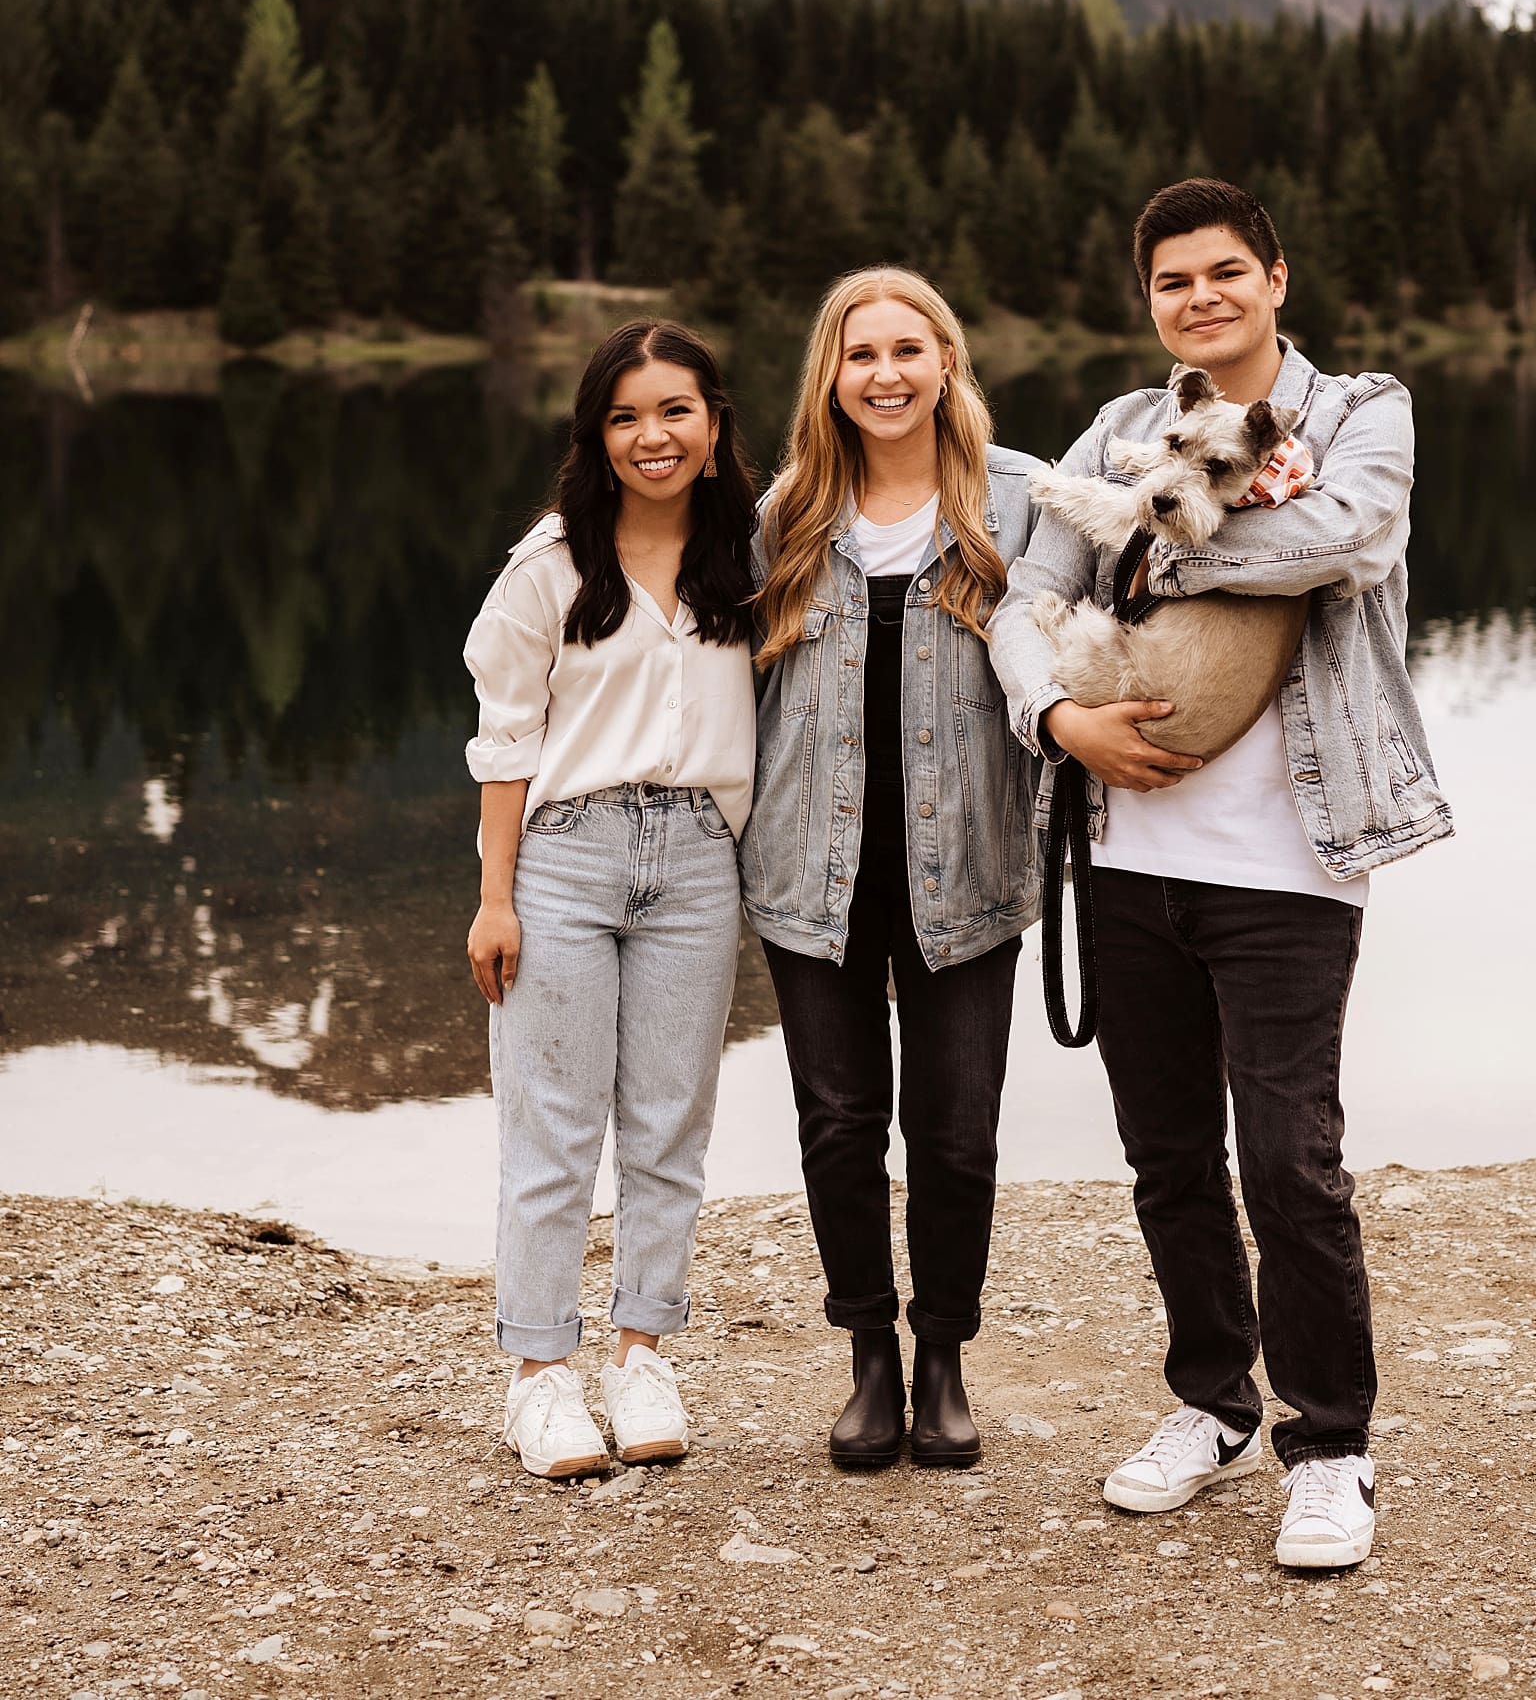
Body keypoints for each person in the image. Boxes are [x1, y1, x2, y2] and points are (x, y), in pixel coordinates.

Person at [989, 180, 1453, 1570]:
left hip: (1290, 860)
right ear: (1152, 302)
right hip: (1125, 852)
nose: (1201, 297)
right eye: (1173, 280)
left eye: (1225, 271)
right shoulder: (1124, 425)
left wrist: (1152, 544)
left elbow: (1347, 540)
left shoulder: (1357, 414)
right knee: (1169, 1155)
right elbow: (1022, 596)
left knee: (1290, 1160)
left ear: (1276, 277)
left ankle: (1332, 1445)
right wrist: (1054, 716)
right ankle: (1212, 1405)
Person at [744, 267, 1044, 1469]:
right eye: (860, 354)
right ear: (831, 375)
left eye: (907, 351)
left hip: (967, 867)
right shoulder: (785, 514)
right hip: (810, 875)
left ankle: (945, 1359)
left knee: (957, 1133)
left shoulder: (1019, 503)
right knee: (838, 1127)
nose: (885, 375)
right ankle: (869, 1356)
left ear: (946, 362)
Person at [463, 320, 757, 1480]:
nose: (653, 436)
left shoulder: (750, 555)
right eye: (625, 417)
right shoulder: (548, 568)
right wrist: (495, 898)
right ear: (596, 436)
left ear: (714, 425)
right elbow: (504, 742)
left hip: (700, 860)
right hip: (566, 857)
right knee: (553, 1124)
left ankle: (641, 1355)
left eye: (675, 411)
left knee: (670, 1122)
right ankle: (539, 1375)